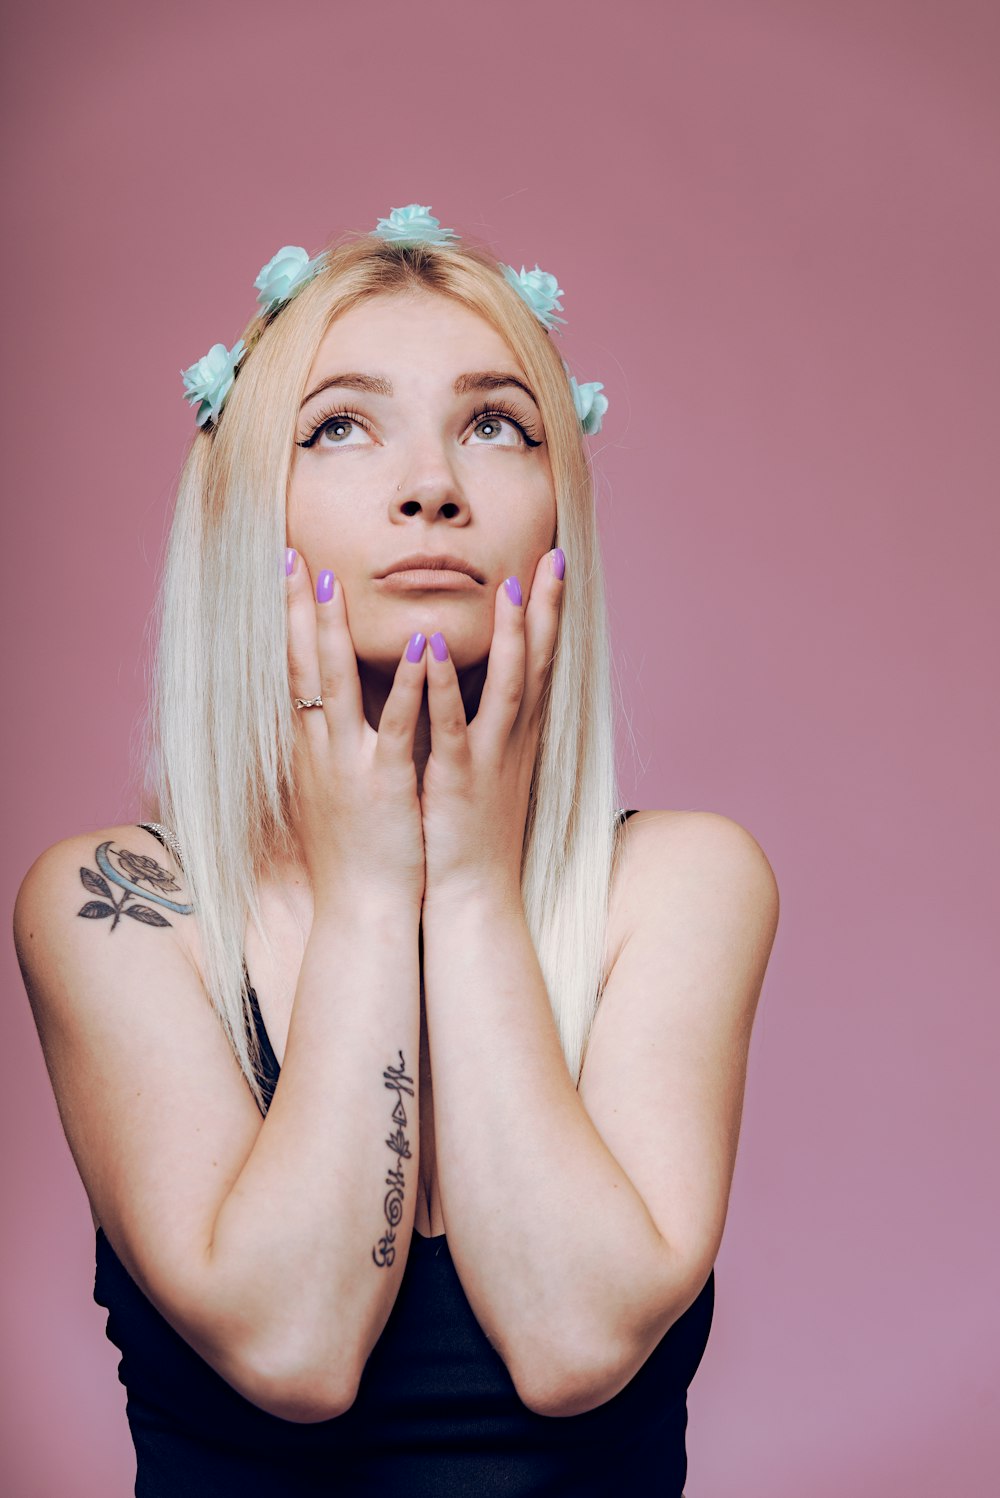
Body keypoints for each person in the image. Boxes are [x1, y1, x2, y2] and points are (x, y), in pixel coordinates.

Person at [13, 203, 780, 1496]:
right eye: (341, 426)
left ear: (557, 521)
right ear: (246, 522)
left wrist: (469, 889)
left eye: (495, 424)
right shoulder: (117, 908)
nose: (433, 485)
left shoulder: (686, 885)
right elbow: (297, 1344)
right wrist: (372, 889)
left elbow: (574, 1336)